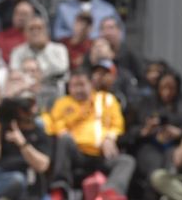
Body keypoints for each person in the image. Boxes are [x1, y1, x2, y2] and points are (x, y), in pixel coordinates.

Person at [48, 69, 135, 200]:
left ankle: (109, 193)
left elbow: (117, 124)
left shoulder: (107, 100)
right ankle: (60, 189)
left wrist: (110, 138)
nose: (78, 90)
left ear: (91, 84)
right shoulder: (62, 103)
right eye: (73, 86)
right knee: (64, 140)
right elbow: (57, 127)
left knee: (127, 161)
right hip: (77, 153)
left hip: (102, 154)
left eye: (81, 85)